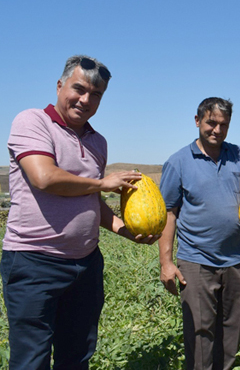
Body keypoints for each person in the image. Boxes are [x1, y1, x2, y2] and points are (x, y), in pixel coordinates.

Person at [1, 55, 159, 369]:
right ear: (60, 86)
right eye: (79, 89)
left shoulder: (98, 141)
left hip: (85, 265)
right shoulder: (32, 121)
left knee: (77, 357)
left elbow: (89, 201)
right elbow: (44, 178)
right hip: (35, 262)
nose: (85, 99)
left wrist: (123, 229)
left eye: (96, 94)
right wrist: (102, 182)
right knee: (31, 359)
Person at [158, 97, 240, 370]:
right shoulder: (178, 162)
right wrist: (166, 262)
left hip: (238, 259)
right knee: (200, 334)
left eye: (223, 125)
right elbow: (168, 213)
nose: (217, 130)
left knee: (232, 332)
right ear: (197, 120)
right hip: (196, 261)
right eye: (211, 123)